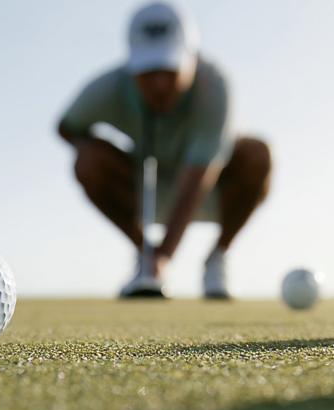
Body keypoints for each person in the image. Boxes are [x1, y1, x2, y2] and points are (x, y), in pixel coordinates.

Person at [57, 3, 272, 299]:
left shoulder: (215, 85)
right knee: (88, 161)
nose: (159, 83)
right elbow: (66, 127)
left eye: (170, 69)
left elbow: (196, 179)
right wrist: (99, 150)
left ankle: (217, 258)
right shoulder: (109, 88)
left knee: (257, 155)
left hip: (213, 186)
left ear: (191, 59)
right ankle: (142, 251)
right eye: (148, 71)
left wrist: (162, 257)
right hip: (146, 189)